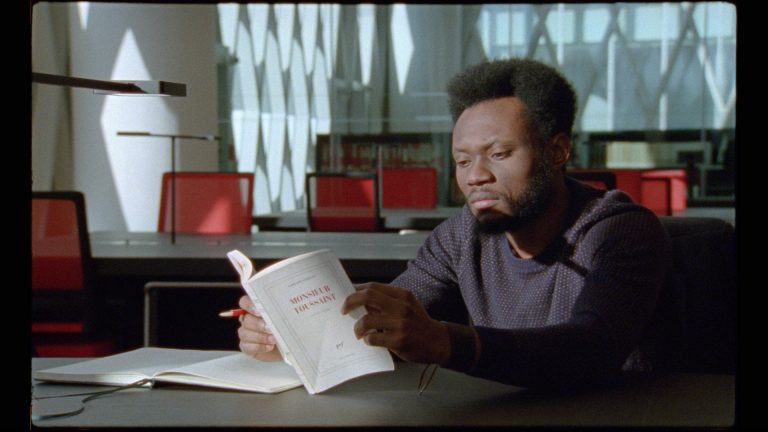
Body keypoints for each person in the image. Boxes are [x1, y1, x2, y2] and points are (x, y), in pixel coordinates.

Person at [236, 58, 672, 389]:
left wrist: (445, 342)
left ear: (557, 151)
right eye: (462, 160)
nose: (475, 175)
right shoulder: (460, 235)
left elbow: (590, 349)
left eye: (498, 154)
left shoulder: (619, 230)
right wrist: (292, 335)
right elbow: (391, 321)